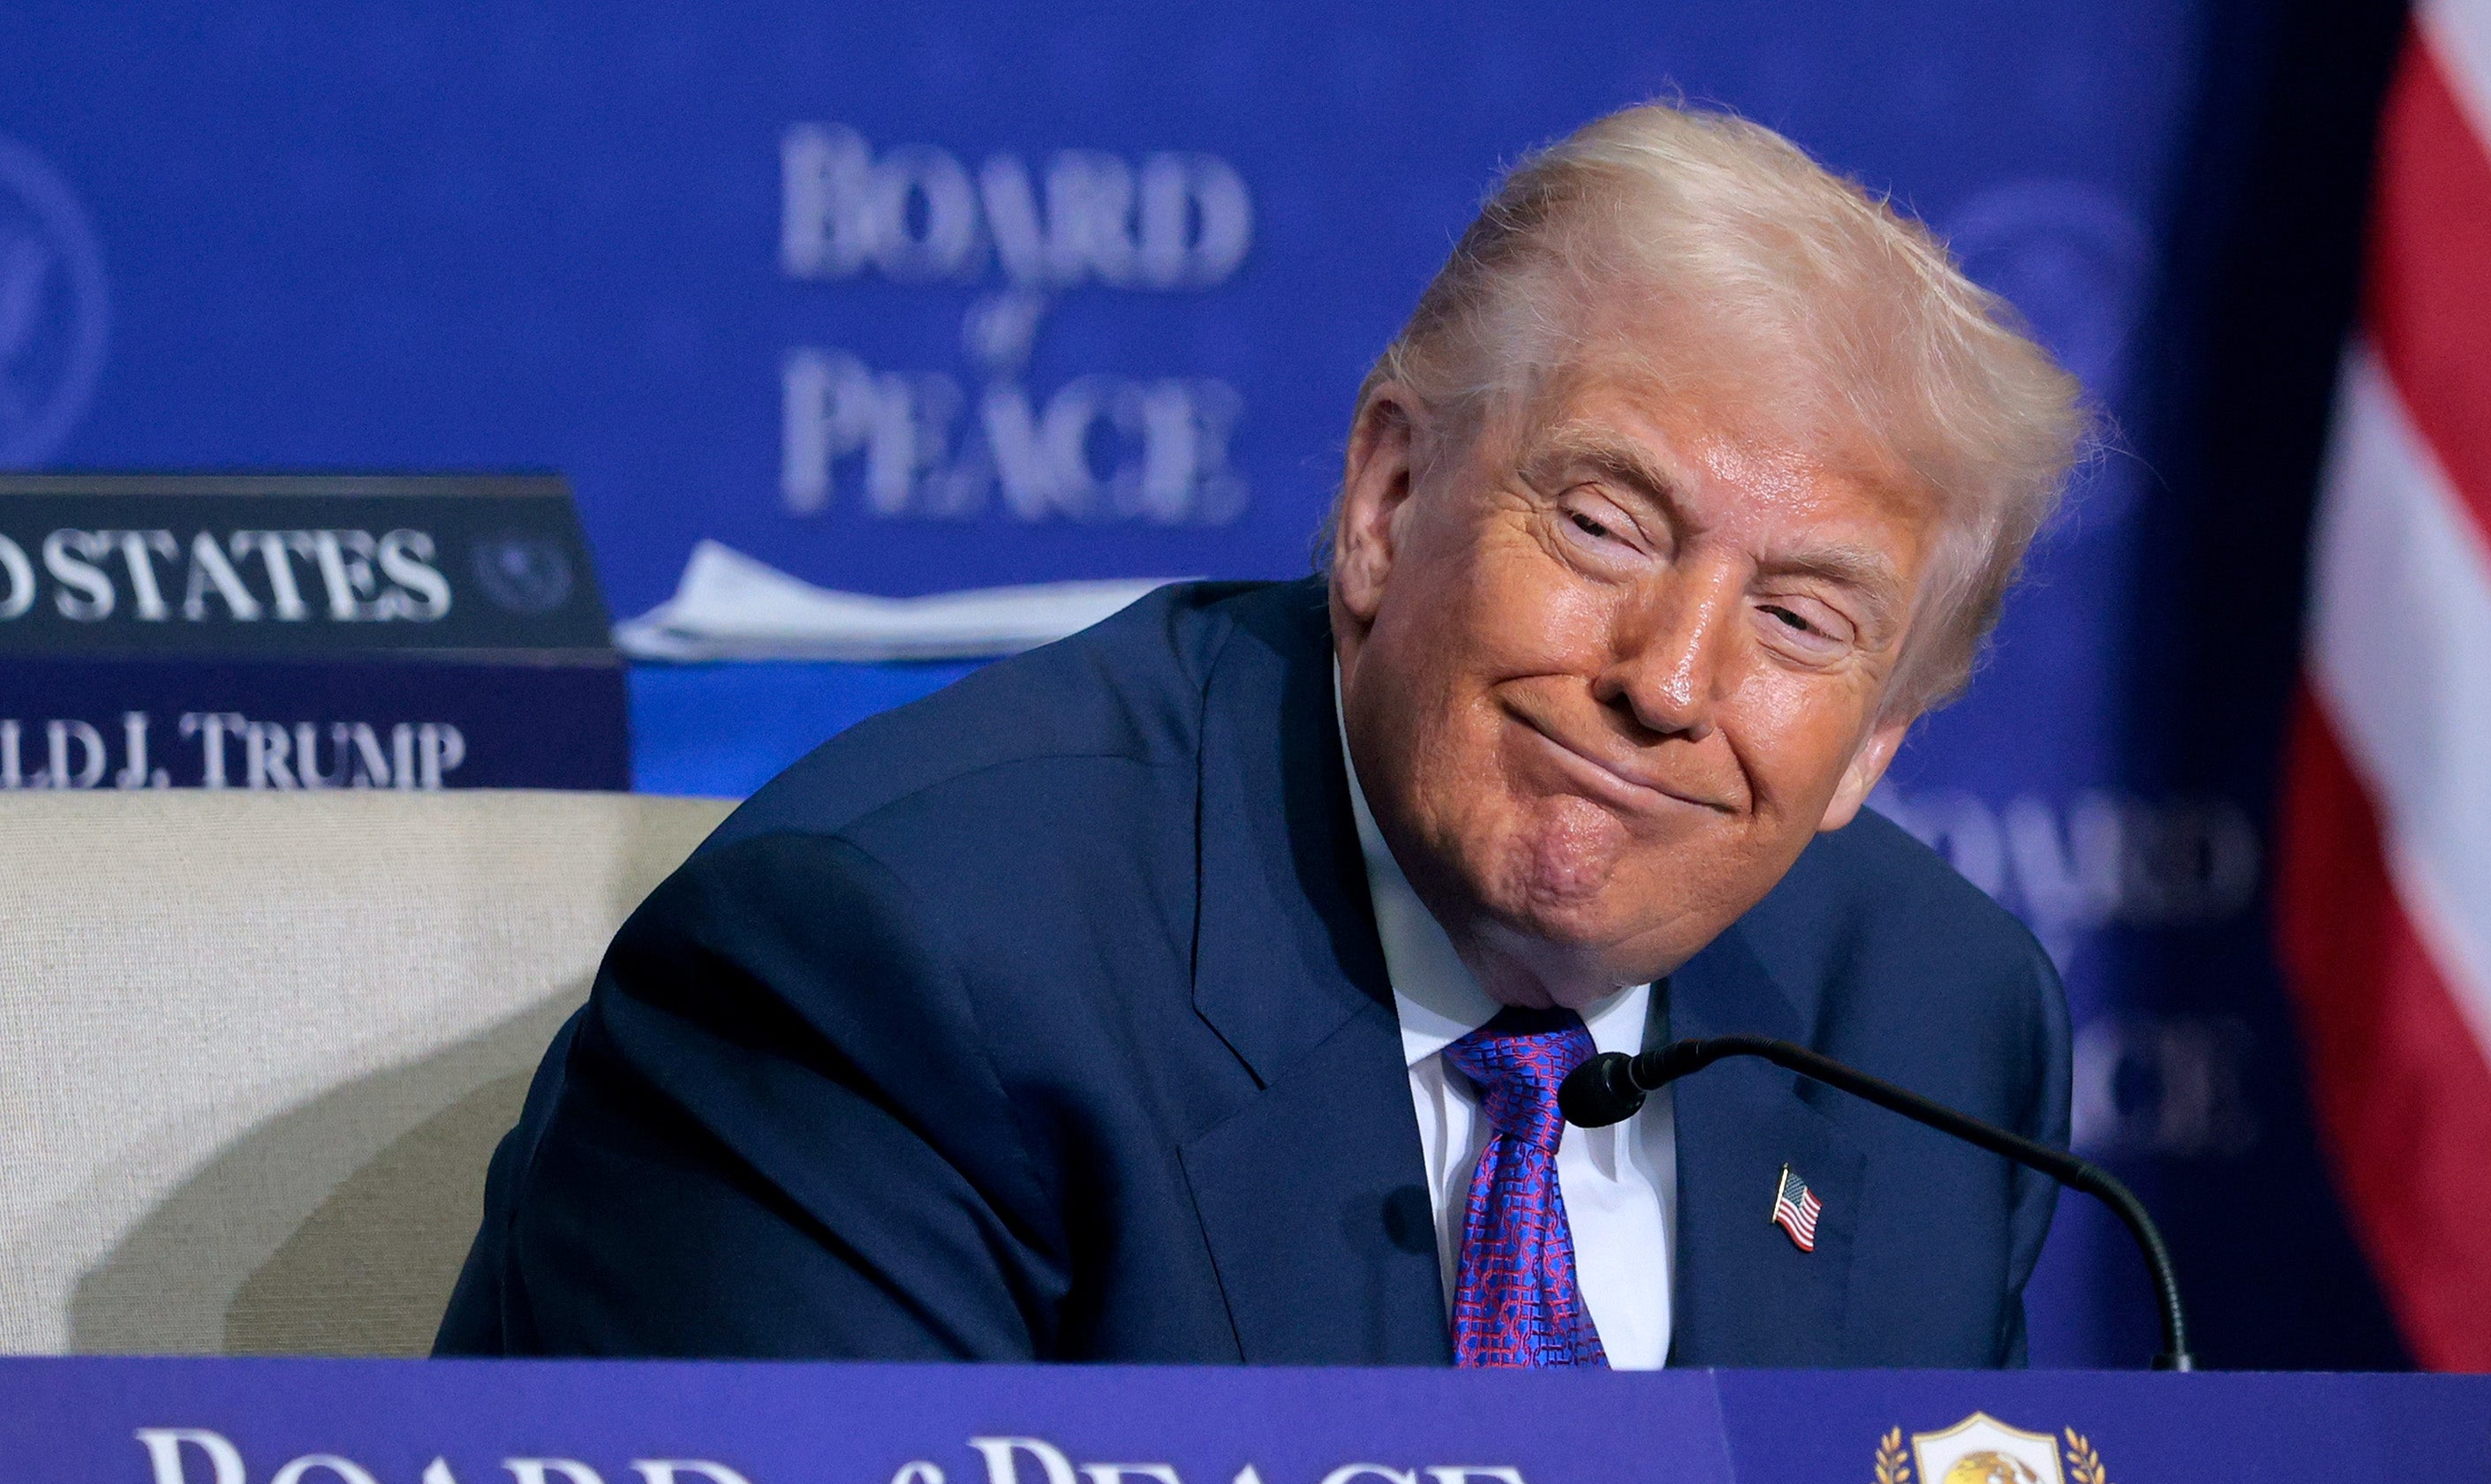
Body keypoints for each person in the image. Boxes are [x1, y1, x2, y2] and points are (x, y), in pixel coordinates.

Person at [437, 102, 2082, 1369]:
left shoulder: (1934, 1031)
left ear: (1878, 743)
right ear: (1385, 502)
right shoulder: (904, 967)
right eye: (1604, 525)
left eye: (1803, 622)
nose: (1668, 680)